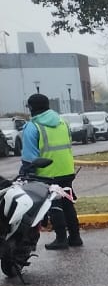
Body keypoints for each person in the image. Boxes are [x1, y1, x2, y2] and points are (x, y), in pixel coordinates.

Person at [20, 93, 81, 250]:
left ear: (32, 108)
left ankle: (61, 238)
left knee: (53, 204)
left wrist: (24, 175)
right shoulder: (63, 122)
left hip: (47, 173)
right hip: (67, 170)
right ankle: (75, 237)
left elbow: (29, 158)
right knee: (67, 203)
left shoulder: (32, 127)